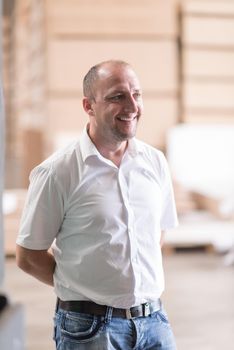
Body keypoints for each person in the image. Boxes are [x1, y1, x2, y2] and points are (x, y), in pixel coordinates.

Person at [16, 60, 178, 350]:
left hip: (154, 323)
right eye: (117, 96)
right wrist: (83, 286)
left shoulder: (155, 162)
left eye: (136, 94)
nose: (132, 106)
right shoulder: (57, 172)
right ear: (88, 106)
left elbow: (157, 234)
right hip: (89, 329)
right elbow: (29, 256)